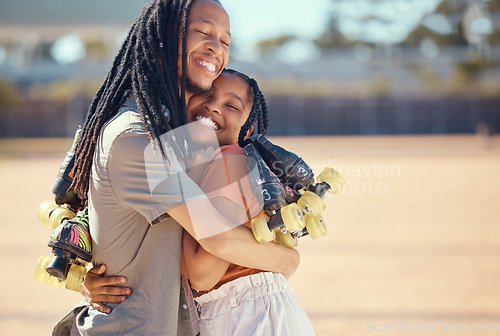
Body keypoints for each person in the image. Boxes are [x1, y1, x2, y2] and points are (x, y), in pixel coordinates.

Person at [53, 0, 300, 335]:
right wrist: (288, 260)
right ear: (163, 39)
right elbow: (221, 243)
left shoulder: (176, 137)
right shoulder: (136, 139)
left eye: (225, 41)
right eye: (203, 32)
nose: (216, 47)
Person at [82, 69, 316, 335]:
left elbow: (204, 273)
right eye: (206, 93)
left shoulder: (227, 162)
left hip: (249, 318)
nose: (214, 106)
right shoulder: (198, 164)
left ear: (248, 127)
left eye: (231, 105)